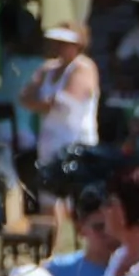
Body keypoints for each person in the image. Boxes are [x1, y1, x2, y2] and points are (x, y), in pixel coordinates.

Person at [18, 24, 100, 172]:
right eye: (57, 41)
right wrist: (44, 103)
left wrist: (40, 103)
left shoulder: (84, 67)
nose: (58, 46)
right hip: (48, 143)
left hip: (76, 144)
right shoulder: (47, 68)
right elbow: (24, 97)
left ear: (78, 44)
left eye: (64, 42)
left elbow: (65, 102)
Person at [42, 183, 117, 276]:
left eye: (114, 225)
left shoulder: (132, 273)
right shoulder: (57, 271)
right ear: (81, 228)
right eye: (99, 227)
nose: (109, 233)